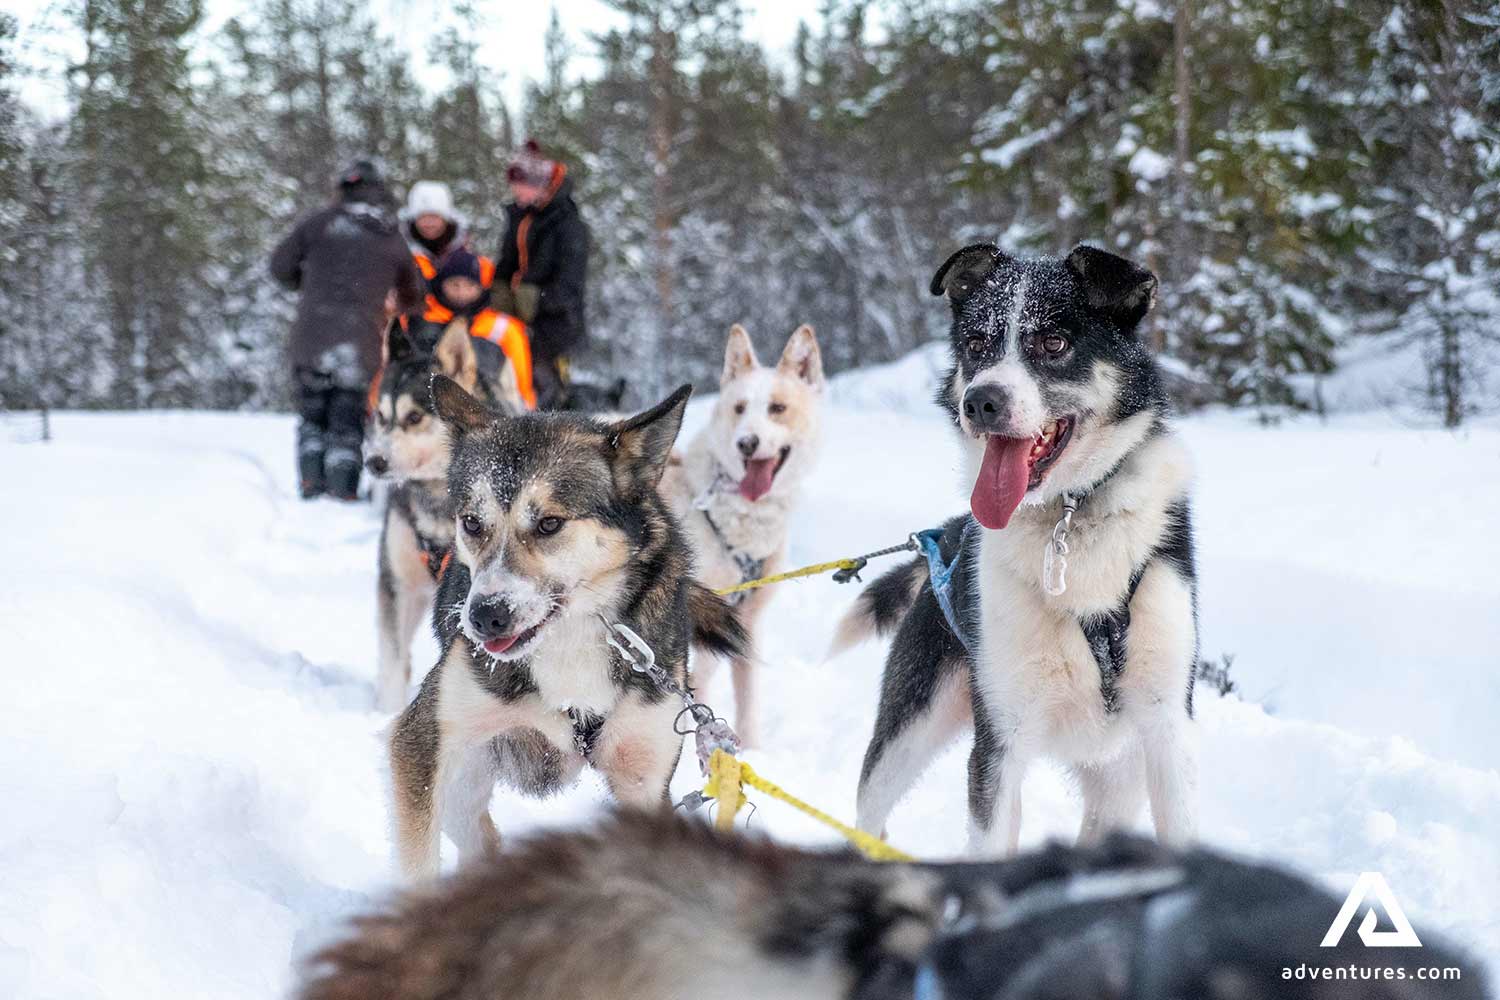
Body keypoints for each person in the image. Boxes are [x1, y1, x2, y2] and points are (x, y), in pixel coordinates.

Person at [270, 159, 421, 500]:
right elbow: (414, 293)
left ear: (342, 189)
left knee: (312, 418)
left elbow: (279, 267)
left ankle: (311, 484)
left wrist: (307, 284)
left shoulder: (318, 224)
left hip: (312, 337)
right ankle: (343, 489)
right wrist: (390, 303)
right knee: (348, 419)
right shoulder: (388, 235)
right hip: (361, 340)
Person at [494, 140, 589, 408]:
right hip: (518, 320)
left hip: (556, 324)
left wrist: (535, 299)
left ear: (540, 184)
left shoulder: (568, 225)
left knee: (547, 388)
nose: (516, 191)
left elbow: (571, 285)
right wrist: (499, 287)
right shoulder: (519, 217)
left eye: (521, 184)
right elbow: (507, 261)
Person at [408, 248, 536, 410]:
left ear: (481, 288)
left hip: (488, 406)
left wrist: (524, 408)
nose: (462, 292)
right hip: (428, 406)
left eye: (470, 285)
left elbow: (520, 380)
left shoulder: (503, 328)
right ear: (441, 284)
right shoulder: (421, 321)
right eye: (455, 284)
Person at [400, 180, 474, 294]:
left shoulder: (464, 255)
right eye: (423, 217)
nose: (429, 223)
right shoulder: (399, 252)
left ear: (446, 219)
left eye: (435, 217)